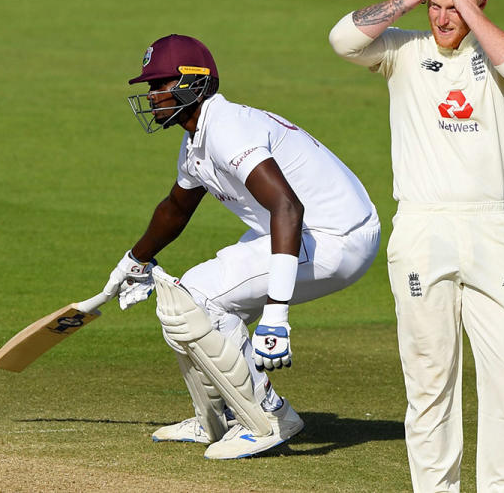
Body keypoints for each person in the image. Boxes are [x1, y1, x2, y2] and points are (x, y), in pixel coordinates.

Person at [101, 33, 381, 460]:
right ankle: (219, 419)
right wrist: (135, 259)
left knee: (196, 297)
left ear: (193, 84)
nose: (153, 95)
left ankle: (269, 417)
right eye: (150, 87)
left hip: (334, 236)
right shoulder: (198, 135)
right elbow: (176, 207)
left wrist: (276, 314)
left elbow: (287, 206)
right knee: (188, 309)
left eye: (160, 85)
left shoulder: (228, 129)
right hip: (302, 229)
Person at [328, 0, 504, 491]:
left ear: (481, 1)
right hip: (423, 228)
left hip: (490, 228)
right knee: (430, 379)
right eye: (438, 8)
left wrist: (468, 5)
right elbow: (343, 40)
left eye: (456, 6)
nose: (444, 19)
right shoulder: (402, 47)